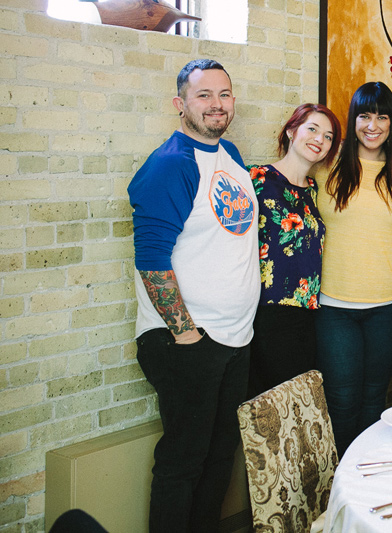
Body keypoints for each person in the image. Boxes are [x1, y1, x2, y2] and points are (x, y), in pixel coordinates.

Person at [128, 59, 260, 533]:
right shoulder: (170, 165)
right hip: (188, 339)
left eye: (224, 94)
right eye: (203, 95)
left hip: (234, 339)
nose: (216, 104)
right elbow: (151, 258)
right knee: (183, 462)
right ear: (179, 103)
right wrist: (185, 333)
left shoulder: (231, 157)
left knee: (218, 457)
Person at [315, 81, 392, 456]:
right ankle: (340, 488)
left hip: (386, 307)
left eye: (382, 116)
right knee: (341, 402)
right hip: (335, 307)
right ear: (353, 119)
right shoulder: (329, 163)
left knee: (375, 400)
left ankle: (366, 476)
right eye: (365, 115)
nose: (373, 125)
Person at [245, 103, 341, 399]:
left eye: (328, 137)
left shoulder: (314, 189)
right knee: (273, 404)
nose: (319, 140)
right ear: (291, 131)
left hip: (308, 314)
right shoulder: (256, 179)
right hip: (268, 311)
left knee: (300, 405)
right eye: (312, 129)